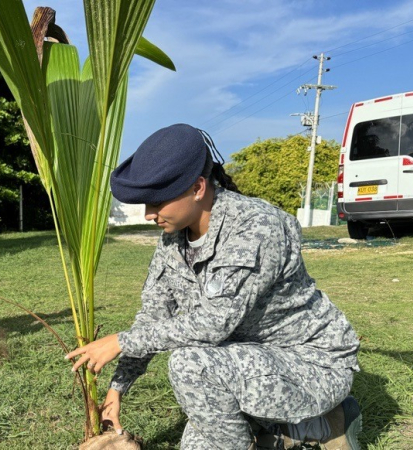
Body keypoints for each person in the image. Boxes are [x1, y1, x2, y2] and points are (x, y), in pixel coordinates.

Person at [65, 124, 361, 450]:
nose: (149, 215)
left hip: (311, 365)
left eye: (157, 203)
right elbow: (153, 318)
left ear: (197, 187)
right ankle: (294, 429)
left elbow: (214, 324)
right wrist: (117, 389)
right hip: (245, 363)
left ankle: (318, 421)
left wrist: (121, 341)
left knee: (189, 365)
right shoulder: (173, 243)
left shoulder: (257, 227)